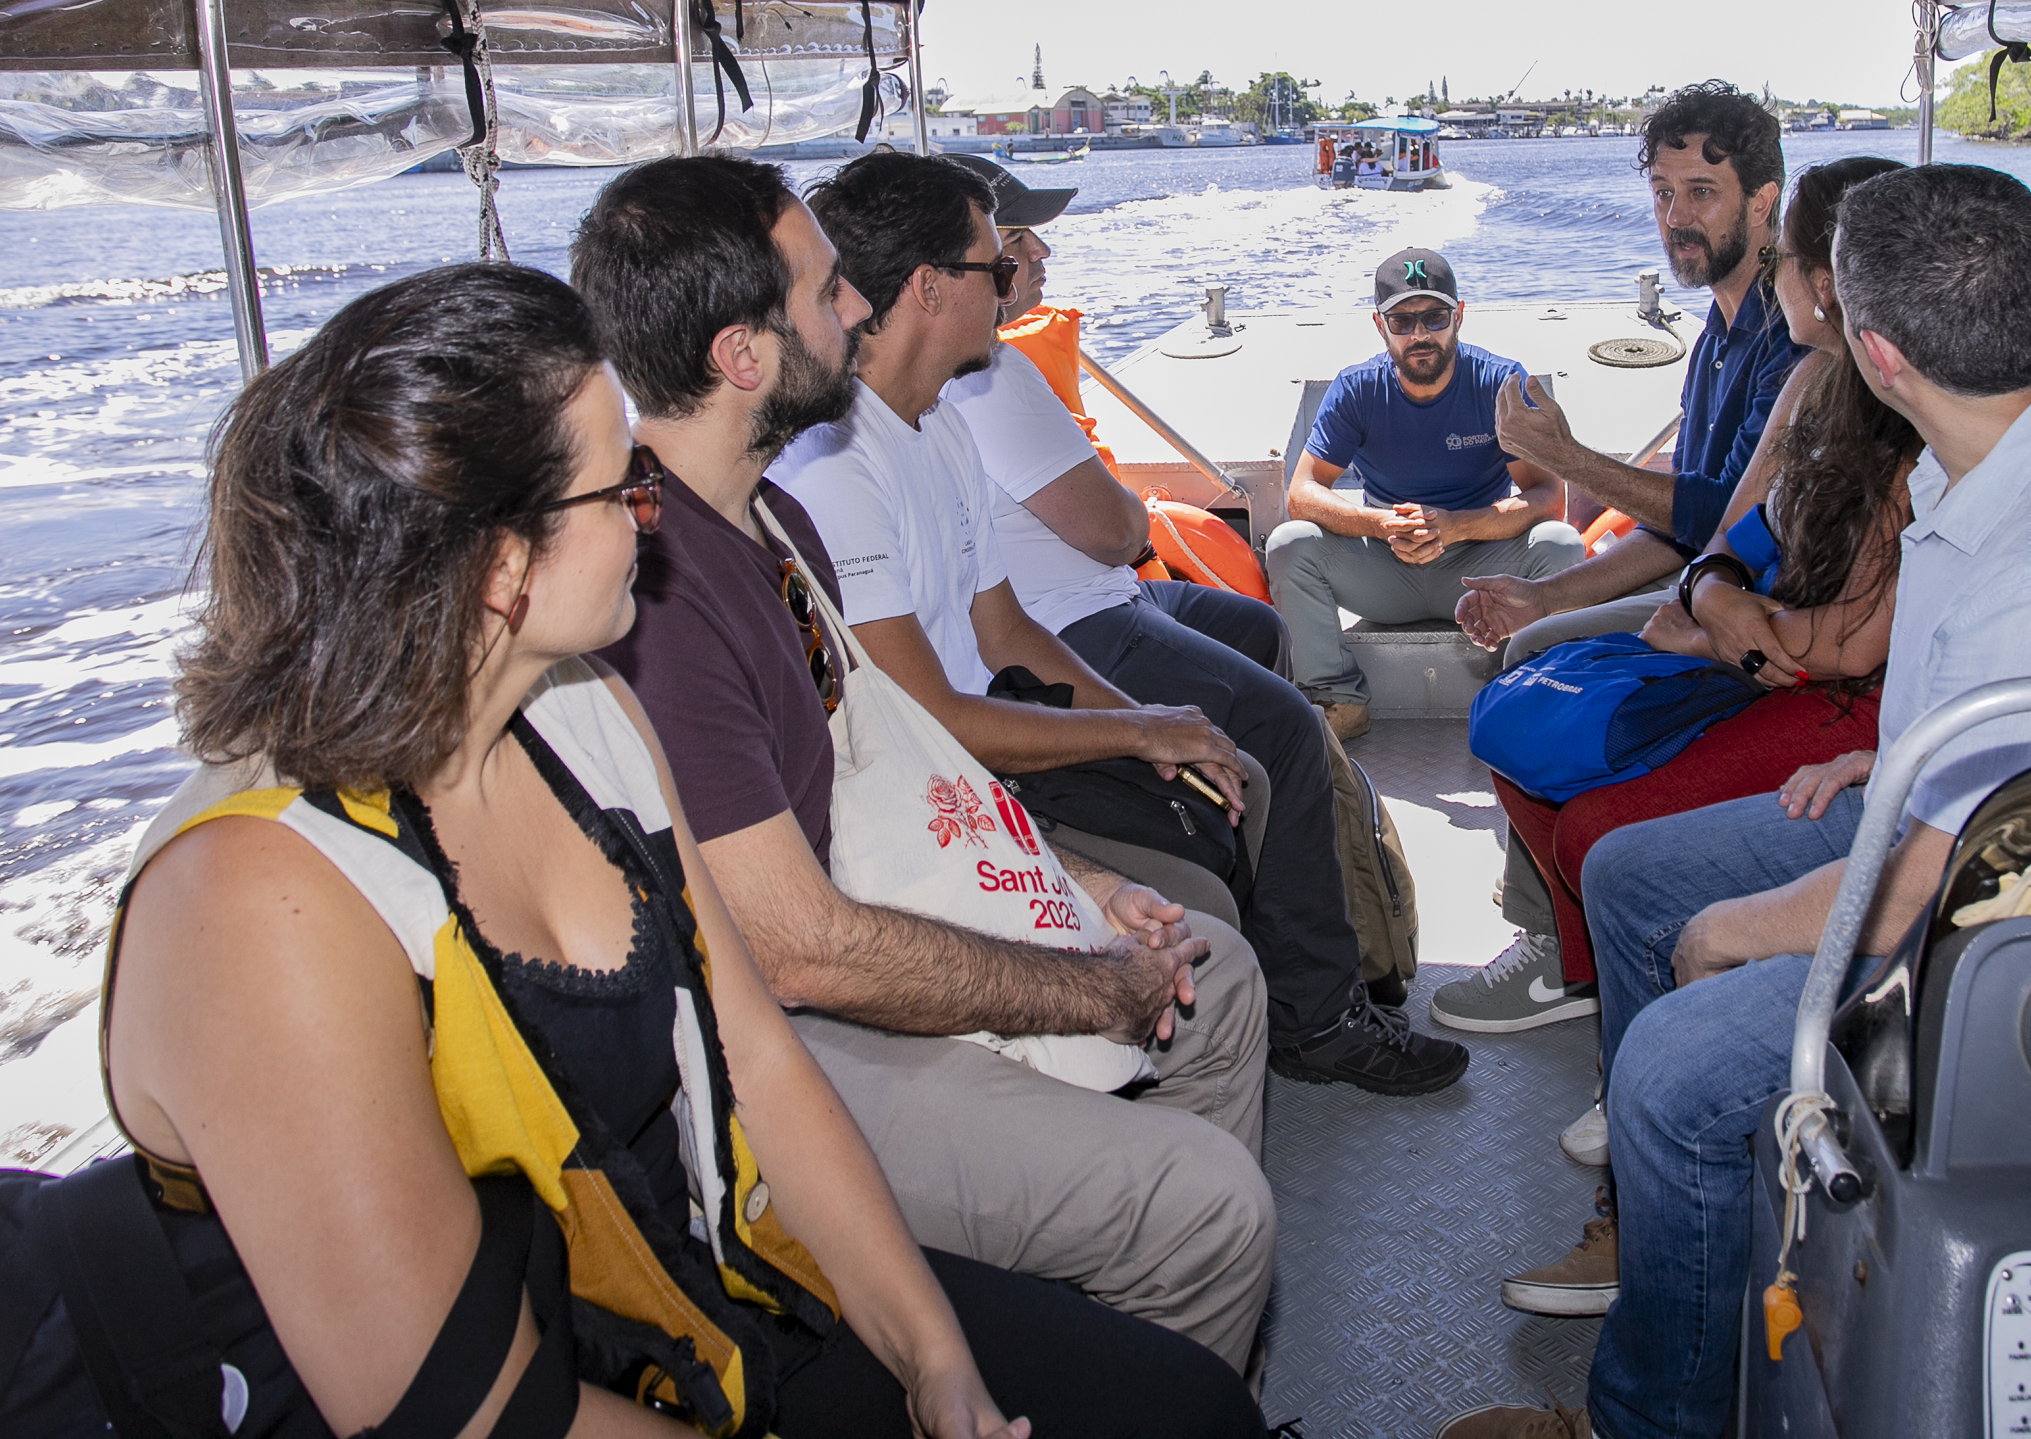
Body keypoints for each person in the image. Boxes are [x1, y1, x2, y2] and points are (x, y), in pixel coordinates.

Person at [108, 262, 1262, 1439]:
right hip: (557, 1383)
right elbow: (472, 1411)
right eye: (625, 487)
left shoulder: (586, 712)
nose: (650, 517)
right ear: (502, 565)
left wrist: (935, 1360)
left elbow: (753, 1057)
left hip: (712, 1284)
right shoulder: (257, 902)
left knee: (1192, 1408)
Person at [1441, 164, 2031, 1439]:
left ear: (1875, 353)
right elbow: (2024, 741)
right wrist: (1893, 752)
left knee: (1671, 1063)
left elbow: (1920, 892)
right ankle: (1698, 1244)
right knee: (1626, 873)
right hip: (1973, 820)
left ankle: (1652, 1415)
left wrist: (1731, 934)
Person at [569, 157, 1280, 1369]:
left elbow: (891, 765)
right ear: (743, 356)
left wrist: (1083, 886)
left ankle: (1133, 1360)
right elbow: (795, 948)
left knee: (1215, 977)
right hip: (763, 1044)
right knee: (1211, 1207)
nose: (856, 305)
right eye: (824, 289)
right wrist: (1084, 984)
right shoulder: (663, 603)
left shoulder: (771, 525)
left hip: (855, 917)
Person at [777, 152, 1462, 1095]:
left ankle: (1301, 1012)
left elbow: (1007, 632)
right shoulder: (834, 465)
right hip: (934, 783)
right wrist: (1138, 731)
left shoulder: (935, 426)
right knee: (1209, 874)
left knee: (1238, 777)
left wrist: (1154, 725)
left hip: (994, 730)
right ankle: (1264, 1042)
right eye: (996, 268)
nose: (1015, 283)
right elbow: (925, 716)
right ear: (931, 289)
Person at [938, 158, 1408, 1072]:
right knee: (1282, 724)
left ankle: (1279, 894)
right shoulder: (993, 377)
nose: (1038, 257)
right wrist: (1118, 510)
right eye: (1015, 242)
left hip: (1088, 594)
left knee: (1257, 629)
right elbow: (1116, 533)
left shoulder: (978, 370)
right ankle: (1318, 1019)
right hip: (1071, 617)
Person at [1488, 154, 1917, 1004]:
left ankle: (1651, 1009)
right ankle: (1586, 968)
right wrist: (1713, 595)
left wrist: (1713, 632)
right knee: (1518, 723)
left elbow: (1848, 644)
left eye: (1784, 255)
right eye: (1662, 193)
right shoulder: (1805, 378)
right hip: (1759, 635)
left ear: (1823, 283)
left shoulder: (1901, 421)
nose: (1675, 214)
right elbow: (1721, 533)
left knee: (1594, 831)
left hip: (1836, 689)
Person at [1433, 84, 1803, 1037]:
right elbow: (1683, 531)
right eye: (1663, 195)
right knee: (1530, 648)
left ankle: (1561, 958)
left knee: (1539, 674)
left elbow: (1731, 515)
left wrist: (1568, 461)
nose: (1676, 219)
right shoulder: (1717, 336)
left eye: (1701, 194)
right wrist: (1544, 595)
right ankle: (1561, 938)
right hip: (1708, 588)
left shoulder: (1790, 339)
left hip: (1766, 620)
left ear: (1764, 200)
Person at [1263, 245, 1585, 739]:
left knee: (1561, 544)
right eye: (1402, 321)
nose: (1420, 335)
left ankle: (1535, 692)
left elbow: (1548, 495)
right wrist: (1380, 524)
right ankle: (1335, 699)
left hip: (1482, 571)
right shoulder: (1356, 388)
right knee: (1289, 543)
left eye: (1434, 318)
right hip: (1387, 570)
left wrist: (1457, 527)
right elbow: (1302, 491)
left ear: (1459, 316)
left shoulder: (1500, 382)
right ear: (1380, 325)